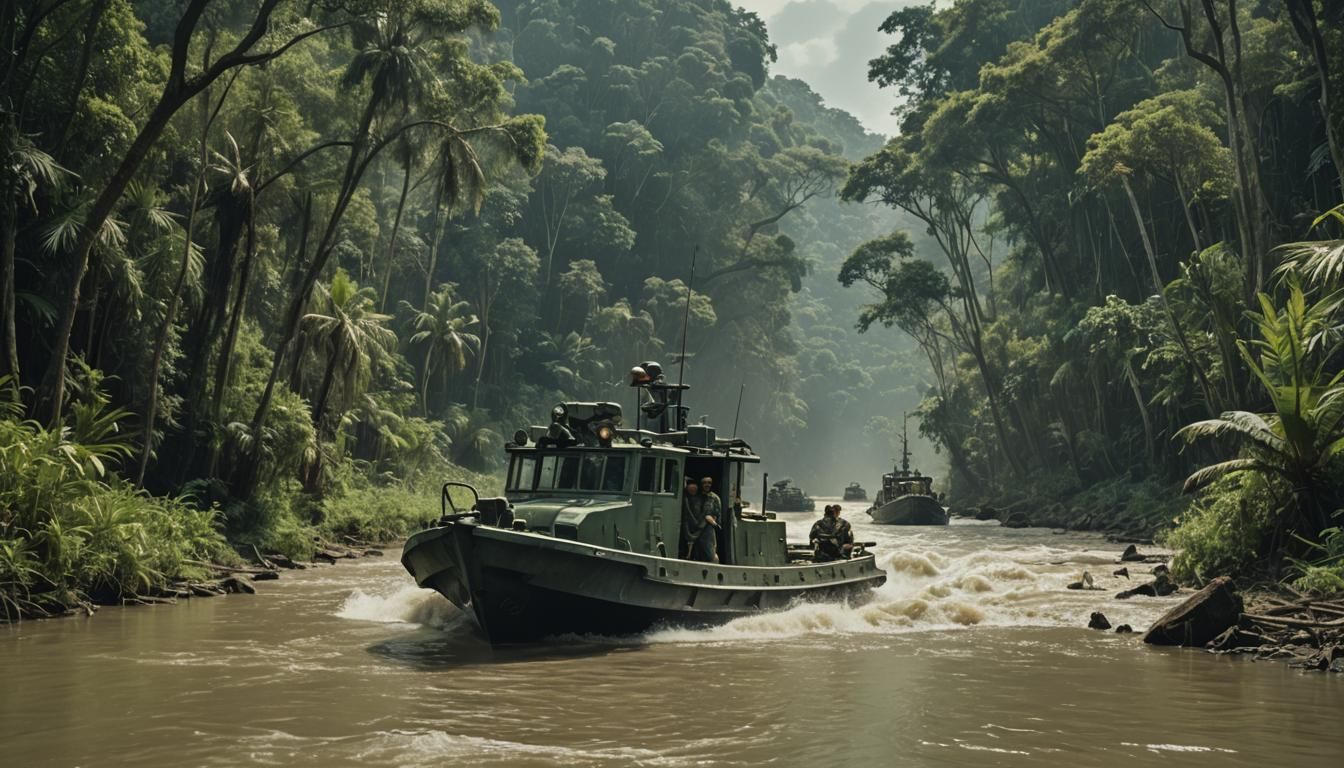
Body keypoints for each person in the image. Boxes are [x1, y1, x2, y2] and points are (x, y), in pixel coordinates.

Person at [681, 478, 719, 563]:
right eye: (704, 483)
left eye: (709, 483)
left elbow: (711, 515)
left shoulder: (711, 498)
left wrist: (700, 526)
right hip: (693, 528)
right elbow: (688, 515)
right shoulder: (689, 499)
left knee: (710, 555)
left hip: (705, 529)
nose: (707, 485)